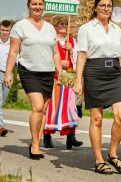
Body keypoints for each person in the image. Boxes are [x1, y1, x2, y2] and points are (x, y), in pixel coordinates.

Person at [73, 0, 121, 174]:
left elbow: (120, 56)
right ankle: (99, 160)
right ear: (95, 7)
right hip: (94, 72)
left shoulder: (117, 30)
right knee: (96, 119)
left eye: (109, 5)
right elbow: (81, 55)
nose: (106, 8)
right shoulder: (86, 29)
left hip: (114, 74)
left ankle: (113, 154)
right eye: (103, 5)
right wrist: (78, 81)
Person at [4, 0, 62, 160]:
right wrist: (9, 73)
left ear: (43, 6)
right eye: (34, 4)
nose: (37, 7)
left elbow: (56, 53)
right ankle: (35, 144)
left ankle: (36, 140)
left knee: (43, 110)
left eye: (40, 4)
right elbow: (13, 51)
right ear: (28, 6)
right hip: (29, 71)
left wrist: (61, 71)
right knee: (37, 107)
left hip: (47, 72)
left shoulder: (50, 27)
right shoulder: (20, 26)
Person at [43, 15, 83, 149]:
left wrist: (71, 51)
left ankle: (71, 137)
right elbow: (46, 57)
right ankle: (47, 136)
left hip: (69, 78)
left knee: (70, 107)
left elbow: (79, 59)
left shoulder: (71, 40)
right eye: (61, 24)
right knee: (53, 108)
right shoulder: (51, 40)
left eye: (66, 24)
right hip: (56, 79)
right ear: (55, 26)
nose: (64, 26)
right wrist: (60, 62)